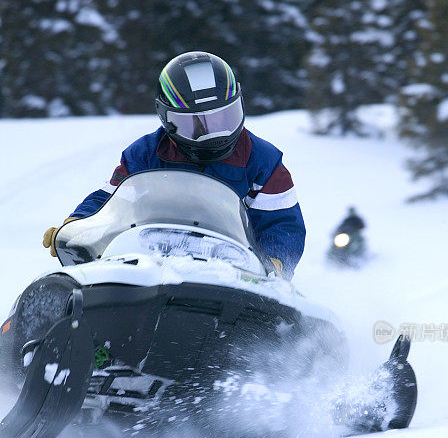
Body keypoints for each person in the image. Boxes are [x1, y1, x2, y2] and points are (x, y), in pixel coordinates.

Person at [43, 51, 306, 278]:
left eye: (224, 117)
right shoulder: (144, 153)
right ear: (167, 119)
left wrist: (275, 262)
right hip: (151, 262)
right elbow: (109, 201)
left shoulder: (264, 161)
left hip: (233, 271)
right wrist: (77, 224)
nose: (213, 134)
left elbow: (283, 225)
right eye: (197, 124)